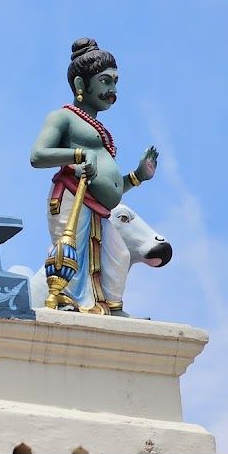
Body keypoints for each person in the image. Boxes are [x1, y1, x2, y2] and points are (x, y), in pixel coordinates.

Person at [29, 38, 158, 314]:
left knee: (118, 254)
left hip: (98, 206)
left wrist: (137, 176)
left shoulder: (97, 128)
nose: (112, 90)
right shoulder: (62, 117)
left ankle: (110, 306)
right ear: (79, 85)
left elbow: (110, 187)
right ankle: (65, 299)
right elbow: (38, 155)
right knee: (70, 250)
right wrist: (76, 155)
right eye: (105, 81)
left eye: (115, 82)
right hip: (71, 197)